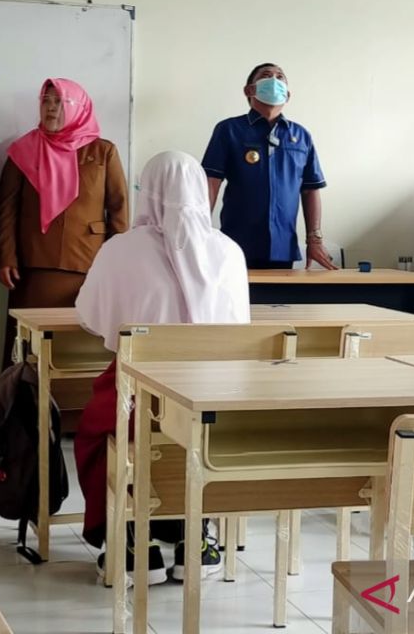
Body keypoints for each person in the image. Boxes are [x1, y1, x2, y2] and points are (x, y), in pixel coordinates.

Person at [74, 151, 250, 582]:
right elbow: (240, 329)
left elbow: (92, 319)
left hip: (139, 400)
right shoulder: (229, 251)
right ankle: (198, 537)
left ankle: (136, 536)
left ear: (147, 193)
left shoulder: (120, 250)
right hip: (214, 405)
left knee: (96, 430)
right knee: (190, 436)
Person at [0, 78, 128, 365]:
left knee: (79, 351)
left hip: (89, 266)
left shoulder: (103, 151)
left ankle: (75, 409)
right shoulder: (24, 149)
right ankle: (23, 409)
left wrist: (117, 264)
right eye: (46, 100)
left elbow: (118, 210)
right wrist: (6, 256)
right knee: (28, 351)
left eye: (60, 101)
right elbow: (7, 208)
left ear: (79, 107)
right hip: (33, 267)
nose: (51, 108)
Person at [202, 64, 337, 270]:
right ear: (249, 90)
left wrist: (315, 240)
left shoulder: (301, 136)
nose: (274, 81)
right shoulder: (228, 130)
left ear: (288, 95)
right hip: (235, 245)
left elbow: (310, 189)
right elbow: (210, 182)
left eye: (280, 77)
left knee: (279, 303)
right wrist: (200, 233)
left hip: (282, 248)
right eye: (266, 76)